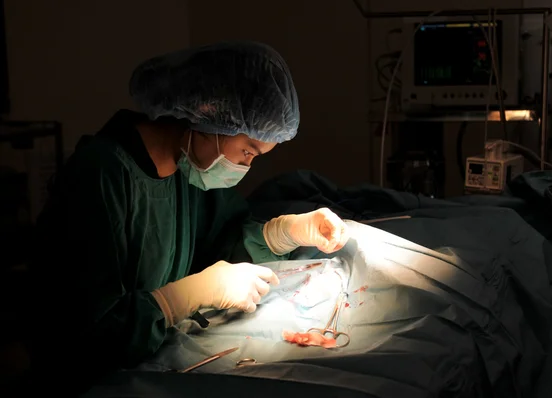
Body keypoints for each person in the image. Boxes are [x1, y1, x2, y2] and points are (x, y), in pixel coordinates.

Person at [30, 41, 349, 393]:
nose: (246, 165)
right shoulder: (100, 176)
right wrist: (179, 299)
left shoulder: (187, 171)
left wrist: (284, 232)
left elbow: (222, 244)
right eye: (247, 151)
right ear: (209, 112)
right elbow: (86, 334)